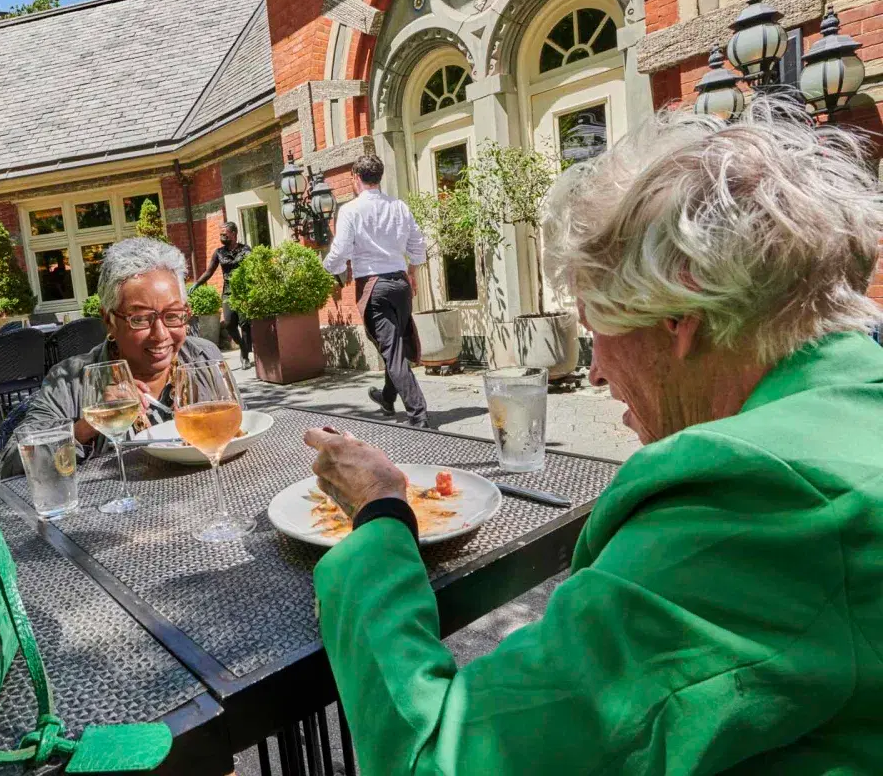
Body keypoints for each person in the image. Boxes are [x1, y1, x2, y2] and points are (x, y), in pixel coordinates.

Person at [303, 101, 883, 773]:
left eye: (595, 326)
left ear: (678, 317)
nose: (598, 369)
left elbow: (433, 757)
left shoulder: (757, 501)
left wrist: (379, 514)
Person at [0, 237, 222, 478]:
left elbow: (238, 432)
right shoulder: (70, 381)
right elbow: (10, 465)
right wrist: (85, 428)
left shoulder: (203, 357)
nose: (161, 335)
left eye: (173, 315)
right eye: (140, 319)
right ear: (109, 321)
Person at [323, 154, 428, 427]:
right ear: (378, 177)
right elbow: (418, 245)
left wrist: (328, 267)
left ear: (356, 178)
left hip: (373, 286)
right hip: (400, 283)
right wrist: (413, 273)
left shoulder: (350, 210)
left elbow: (341, 251)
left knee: (392, 351)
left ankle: (418, 415)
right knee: (393, 347)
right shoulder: (399, 207)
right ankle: (386, 397)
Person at [193, 221, 254, 371]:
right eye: (220, 234)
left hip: (243, 291)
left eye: (224, 234)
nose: (222, 237)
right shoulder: (219, 252)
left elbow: (254, 267)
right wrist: (197, 284)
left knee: (245, 324)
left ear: (233, 234)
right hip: (228, 292)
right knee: (228, 323)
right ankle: (243, 346)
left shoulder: (245, 250)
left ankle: (245, 356)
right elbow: (209, 272)